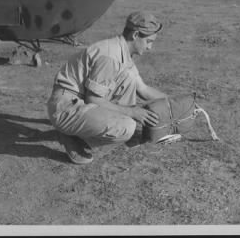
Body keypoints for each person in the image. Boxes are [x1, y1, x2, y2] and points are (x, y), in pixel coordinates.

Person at [47, 11, 167, 164]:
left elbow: (142, 89)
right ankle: (74, 136)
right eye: (149, 41)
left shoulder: (122, 51)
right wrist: (132, 112)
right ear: (136, 35)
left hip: (78, 100)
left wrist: (174, 102)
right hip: (65, 107)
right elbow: (94, 99)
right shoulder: (110, 57)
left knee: (129, 80)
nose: (150, 47)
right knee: (127, 127)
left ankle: (78, 128)